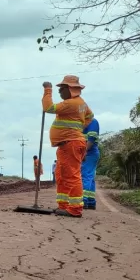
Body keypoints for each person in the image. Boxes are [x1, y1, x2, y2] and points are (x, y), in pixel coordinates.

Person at [42, 75, 94, 218]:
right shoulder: (81, 104)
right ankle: (64, 206)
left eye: (62, 89)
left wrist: (48, 90)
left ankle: (75, 209)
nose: (60, 92)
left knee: (71, 175)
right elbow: (90, 116)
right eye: (58, 89)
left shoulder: (72, 104)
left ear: (71, 89)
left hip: (71, 143)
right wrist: (78, 127)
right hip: (67, 144)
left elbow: (48, 107)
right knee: (61, 175)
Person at [82, 117, 100, 210]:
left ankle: (84, 200)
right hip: (89, 153)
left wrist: (84, 151)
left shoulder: (92, 122)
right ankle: (91, 201)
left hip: (90, 153)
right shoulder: (82, 121)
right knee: (90, 177)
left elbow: (91, 139)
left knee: (86, 176)